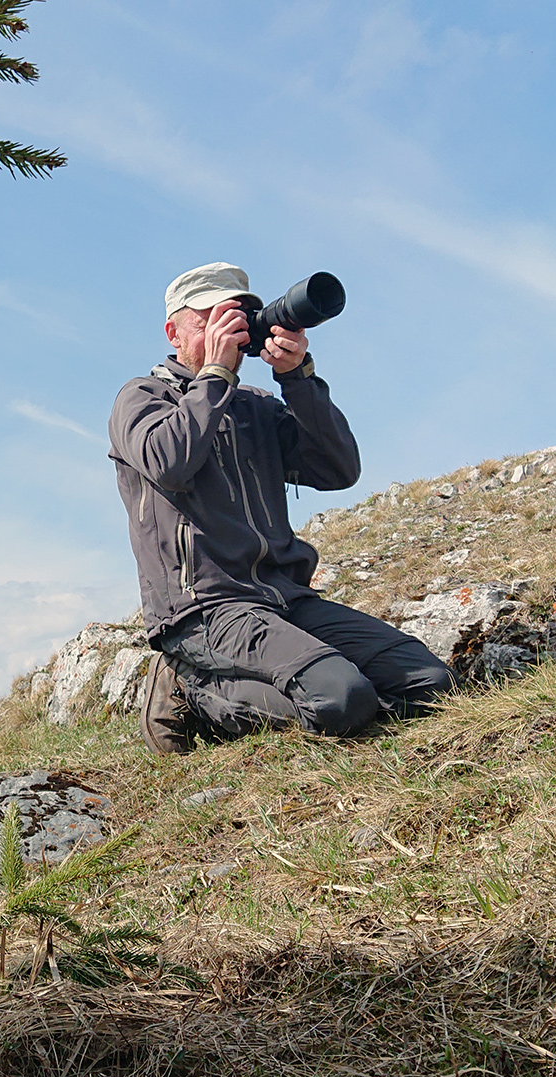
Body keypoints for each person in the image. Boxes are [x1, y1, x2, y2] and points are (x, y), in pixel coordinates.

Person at [107, 262, 453, 753]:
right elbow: (169, 462)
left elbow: (337, 470)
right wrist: (215, 376)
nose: (229, 328)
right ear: (174, 331)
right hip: (204, 609)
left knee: (432, 682)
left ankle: (337, 695)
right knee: (342, 698)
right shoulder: (143, 397)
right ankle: (193, 689)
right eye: (209, 318)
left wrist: (298, 379)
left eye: (240, 316)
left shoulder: (255, 405)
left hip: (285, 599)